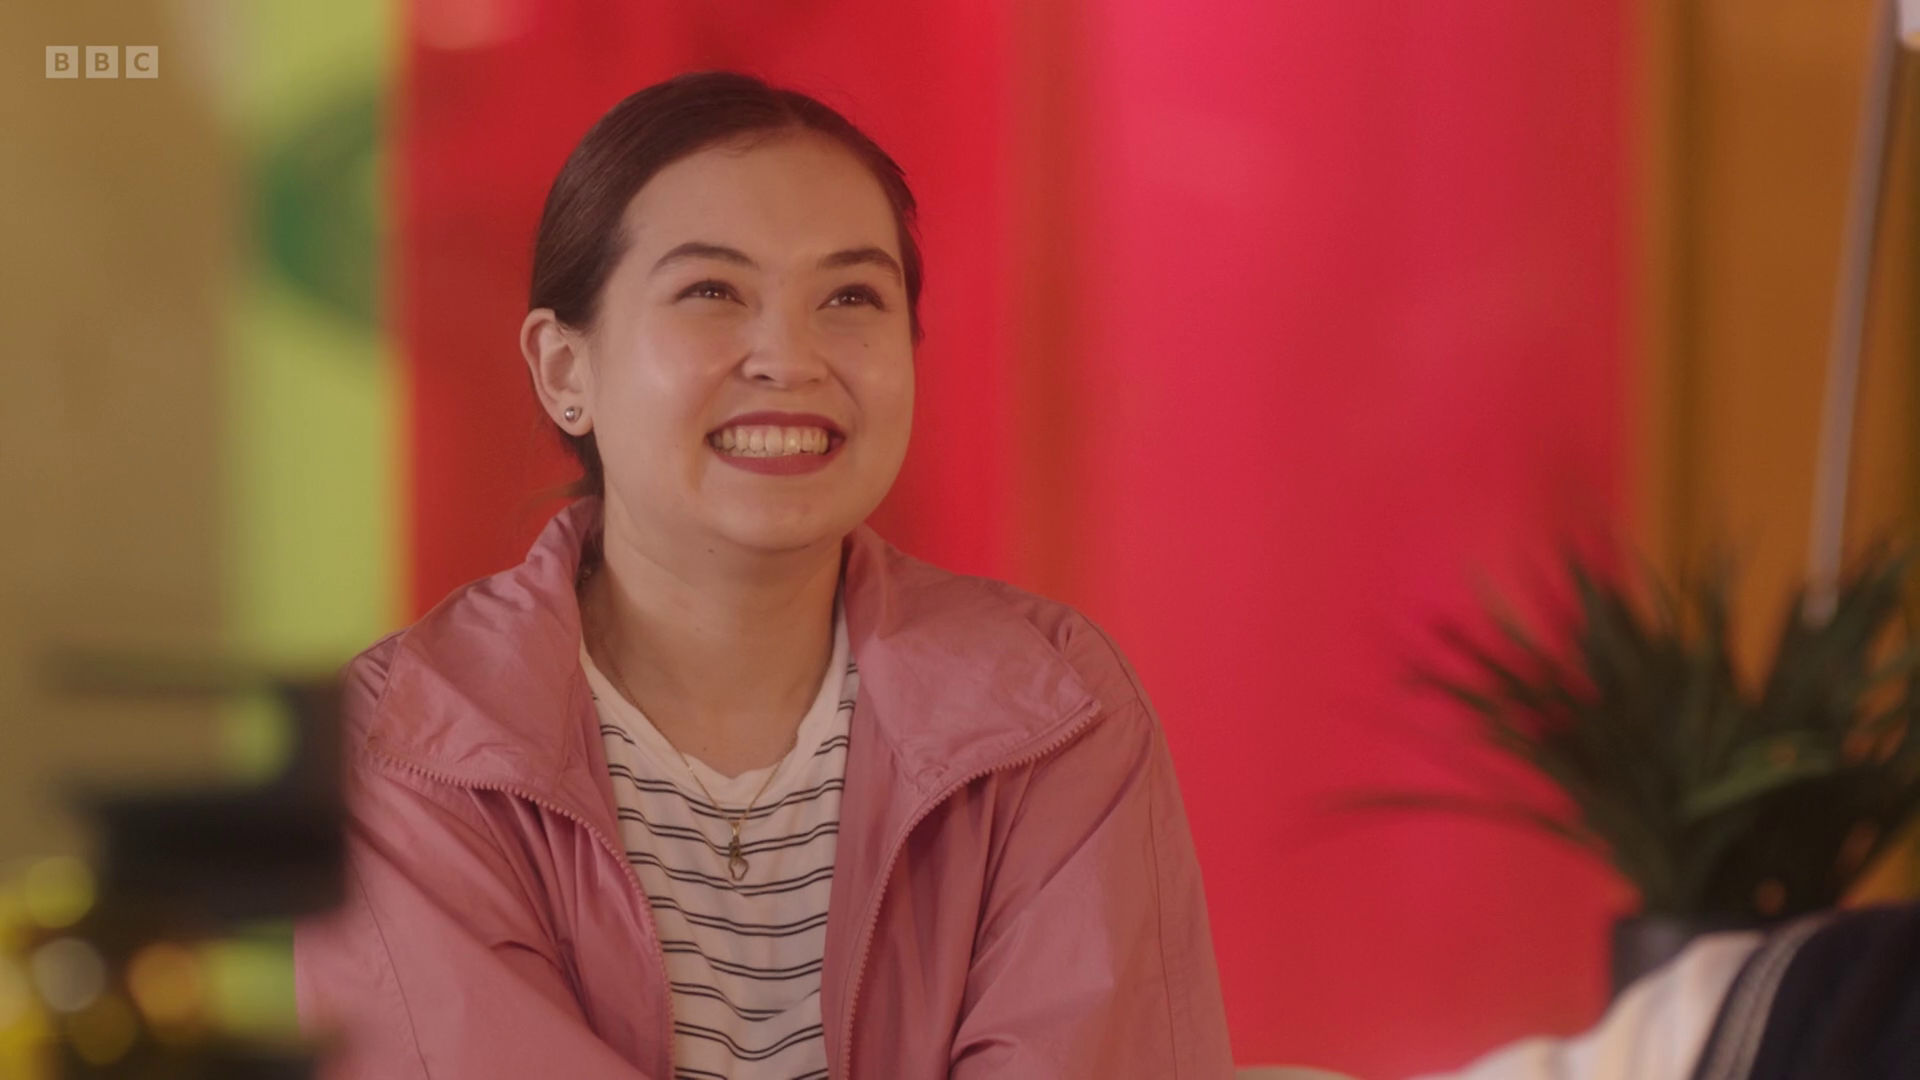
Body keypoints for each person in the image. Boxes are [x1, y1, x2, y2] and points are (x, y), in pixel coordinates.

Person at [293, 70, 1235, 1080]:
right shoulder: (408, 746)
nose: (790, 358)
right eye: (712, 292)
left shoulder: (1054, 711)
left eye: (850, 297)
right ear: (566, 370)